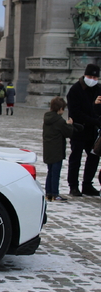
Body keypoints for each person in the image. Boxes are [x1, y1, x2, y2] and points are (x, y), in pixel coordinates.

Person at [67, 63, 101, 196]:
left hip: (93, 131)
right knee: (76, 158)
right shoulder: (75, 90)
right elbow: (75, 112)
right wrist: (94, 119)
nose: (92, 79)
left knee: (93, 158)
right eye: (90, 76)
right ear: (85, 75)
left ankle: (87, 184)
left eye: (95, 77)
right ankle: (73, 186)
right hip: (78, 129)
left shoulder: (98, 89)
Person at [43, 97, 78, 202]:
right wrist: (70, 125)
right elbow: (68, 133)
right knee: (56, 173)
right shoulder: (59, 120)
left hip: (48, 149)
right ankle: (55, 194)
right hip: (57, 150)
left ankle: (48, 193)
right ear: (60, 109)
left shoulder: (47, 118)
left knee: (50, 172)